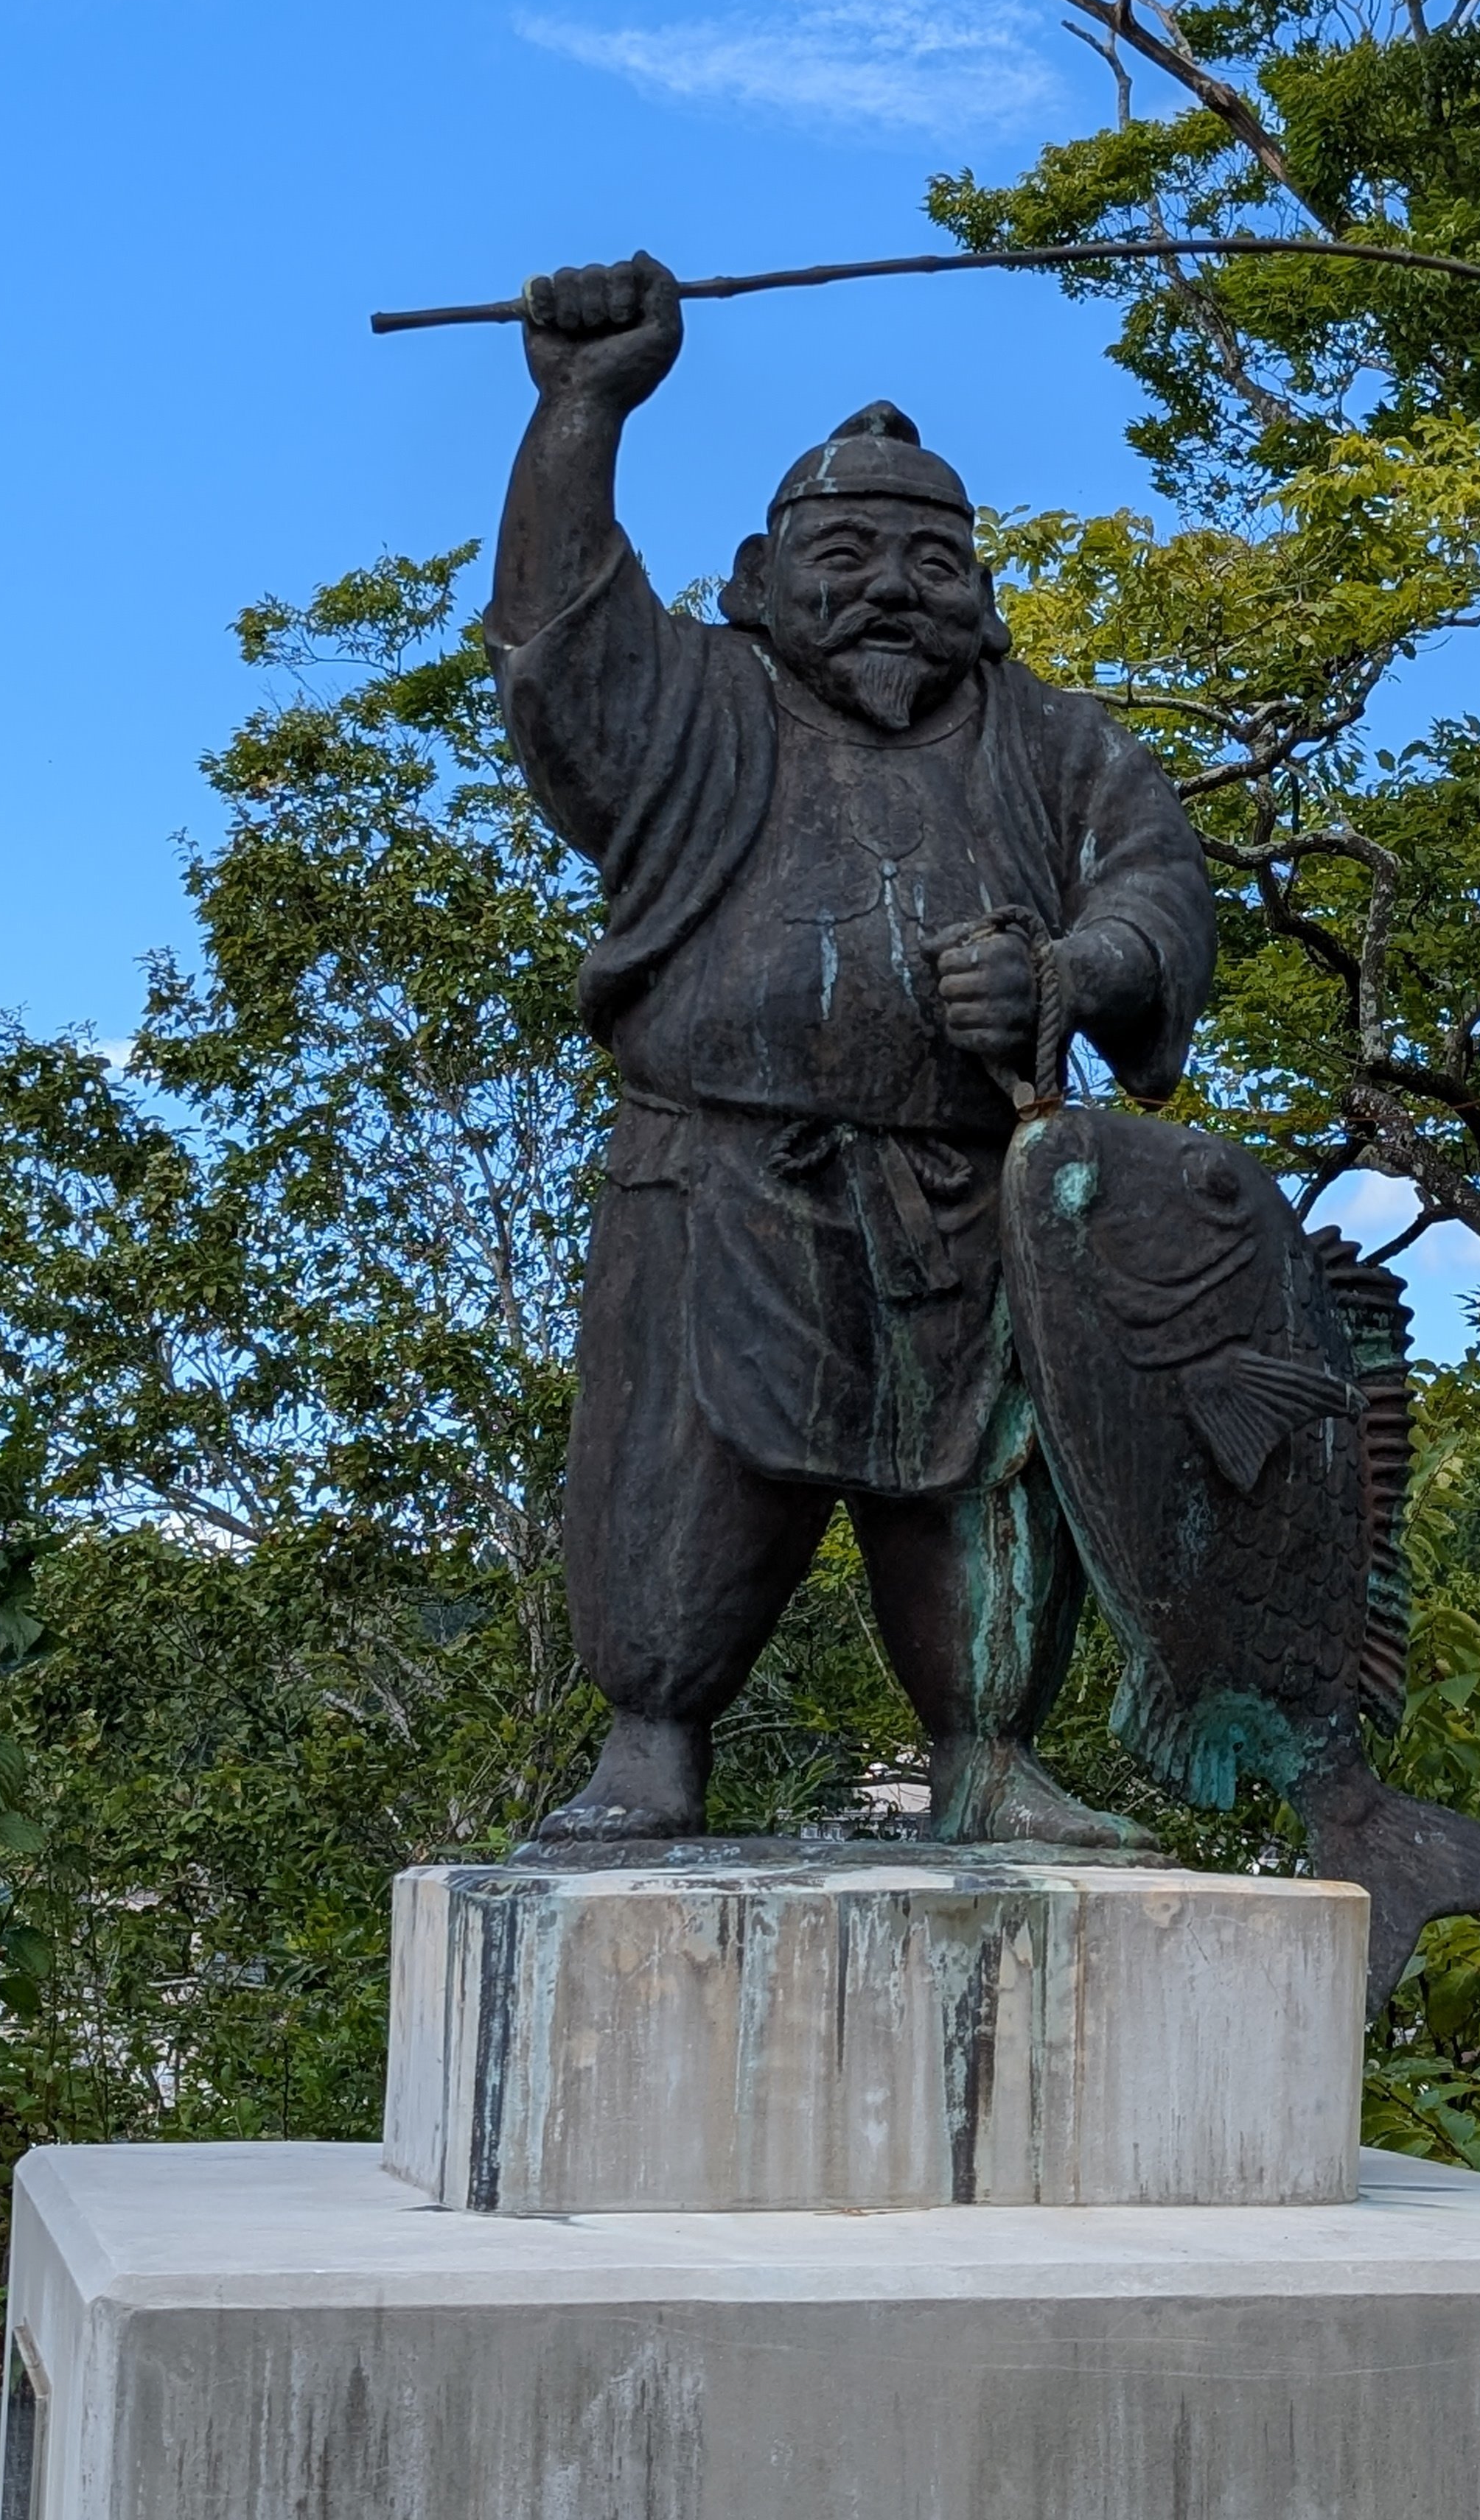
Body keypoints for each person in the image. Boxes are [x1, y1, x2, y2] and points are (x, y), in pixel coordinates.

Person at [486, 252, 1217, 1842]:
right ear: (755, 575)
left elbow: (1159, 890)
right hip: (721, 1170)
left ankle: (992, 1758)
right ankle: (650, 1748)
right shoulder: (694, 707)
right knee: (674, 1492)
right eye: (845, 553)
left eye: (929, 560)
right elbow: (554, 644)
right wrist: (582, 410)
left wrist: (1069, 971)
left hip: (979, 1192)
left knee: (984, 1499)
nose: (893, 585)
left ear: (985, 592)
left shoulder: (1056, 740)